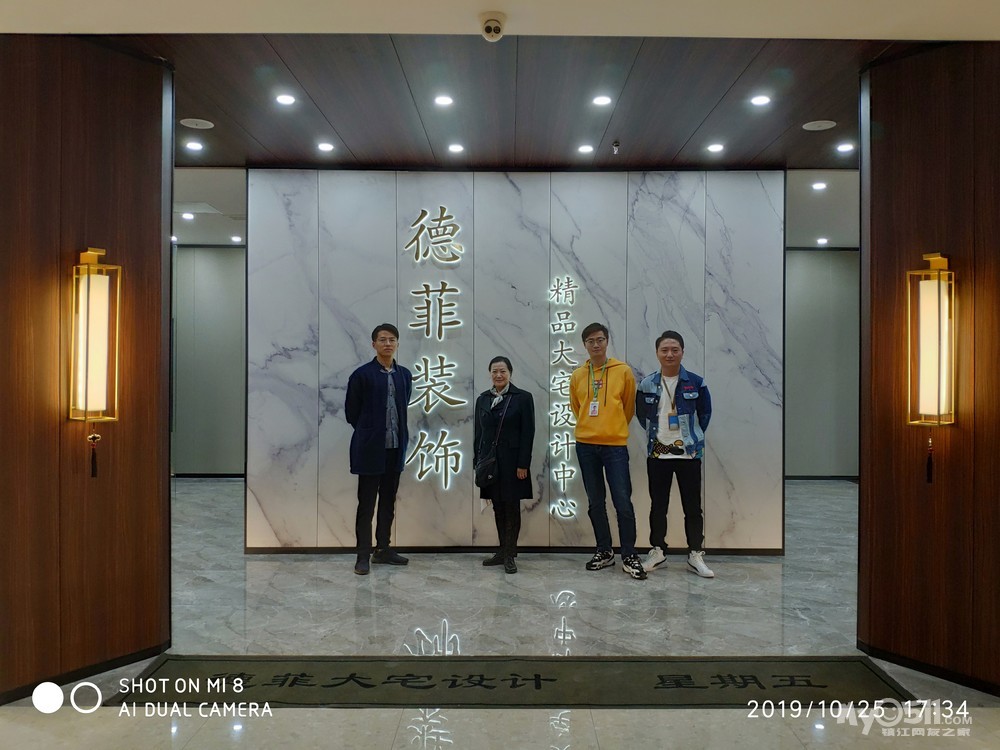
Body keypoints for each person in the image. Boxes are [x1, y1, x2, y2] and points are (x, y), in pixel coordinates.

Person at [635, 330, 714, 578]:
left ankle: (695, 554)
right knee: (658, 506)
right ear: (657, 353)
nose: (669, 354)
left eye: (674, 350)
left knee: (693, 507)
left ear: (682, 352)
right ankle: (658, 551)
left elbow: (705, 414)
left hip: (689, 455)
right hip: (658, 454)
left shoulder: (696, 383)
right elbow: (641, 416)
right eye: (664, 350)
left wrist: (692, 437)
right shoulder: (647, 384)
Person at [569, 323, 645, 580]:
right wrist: (591, 428)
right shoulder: (578, 375)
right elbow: (577, 407)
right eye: (590, 341)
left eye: (600, 339)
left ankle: (629, 554)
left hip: (614, 446)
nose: (596, 344)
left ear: (607, 341)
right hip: (585, 446)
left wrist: (612, 429)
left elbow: (628, 407)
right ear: (585, 345)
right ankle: (604, 550)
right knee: (595, 501)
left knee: (622, 501)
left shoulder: (622, 371)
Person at [345, 323, 413, 576]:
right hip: (370, 450)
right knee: (366, 504)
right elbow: (352, 413)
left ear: (397, 344)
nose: (387, 343)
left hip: (395, 448)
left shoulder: (404, 375)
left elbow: (403, 406)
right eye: (382, 339)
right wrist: (370, 431)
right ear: (373, 344)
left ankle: (383, 549)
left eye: (392, 339)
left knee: (388, 502)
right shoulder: (361, 375)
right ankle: (363, 555)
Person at [473, 356, 535, 574]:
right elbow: (479, 434)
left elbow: (528, 433)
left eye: (503, 371)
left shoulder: (522, 398)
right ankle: (502, 550)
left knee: (511, 508)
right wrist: (477, 462)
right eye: (494, 371)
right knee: (498, 507)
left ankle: (510, 553)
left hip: (513, 463)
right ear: (490, 373)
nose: (498, 375)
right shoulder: (482, 399)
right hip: (490, 464)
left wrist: (523, 464)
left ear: (510, 373)